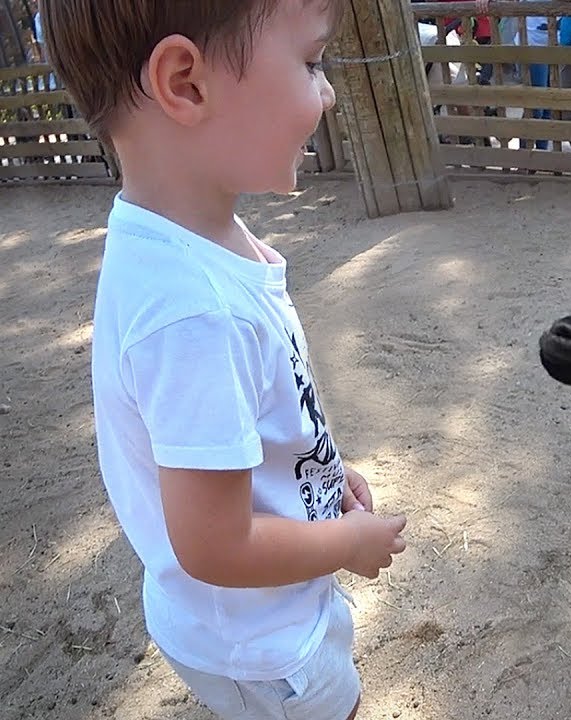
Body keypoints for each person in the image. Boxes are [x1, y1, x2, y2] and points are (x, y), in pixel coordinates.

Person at [41, 2, 409, 718]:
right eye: (310, 62)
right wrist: (345, 542)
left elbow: (259, 413)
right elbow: (216, 544)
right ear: (186, 83)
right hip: (264, 642)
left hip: (248, 622)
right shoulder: (193, 311)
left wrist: (322, 473)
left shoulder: (188, 235)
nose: (326, 91)